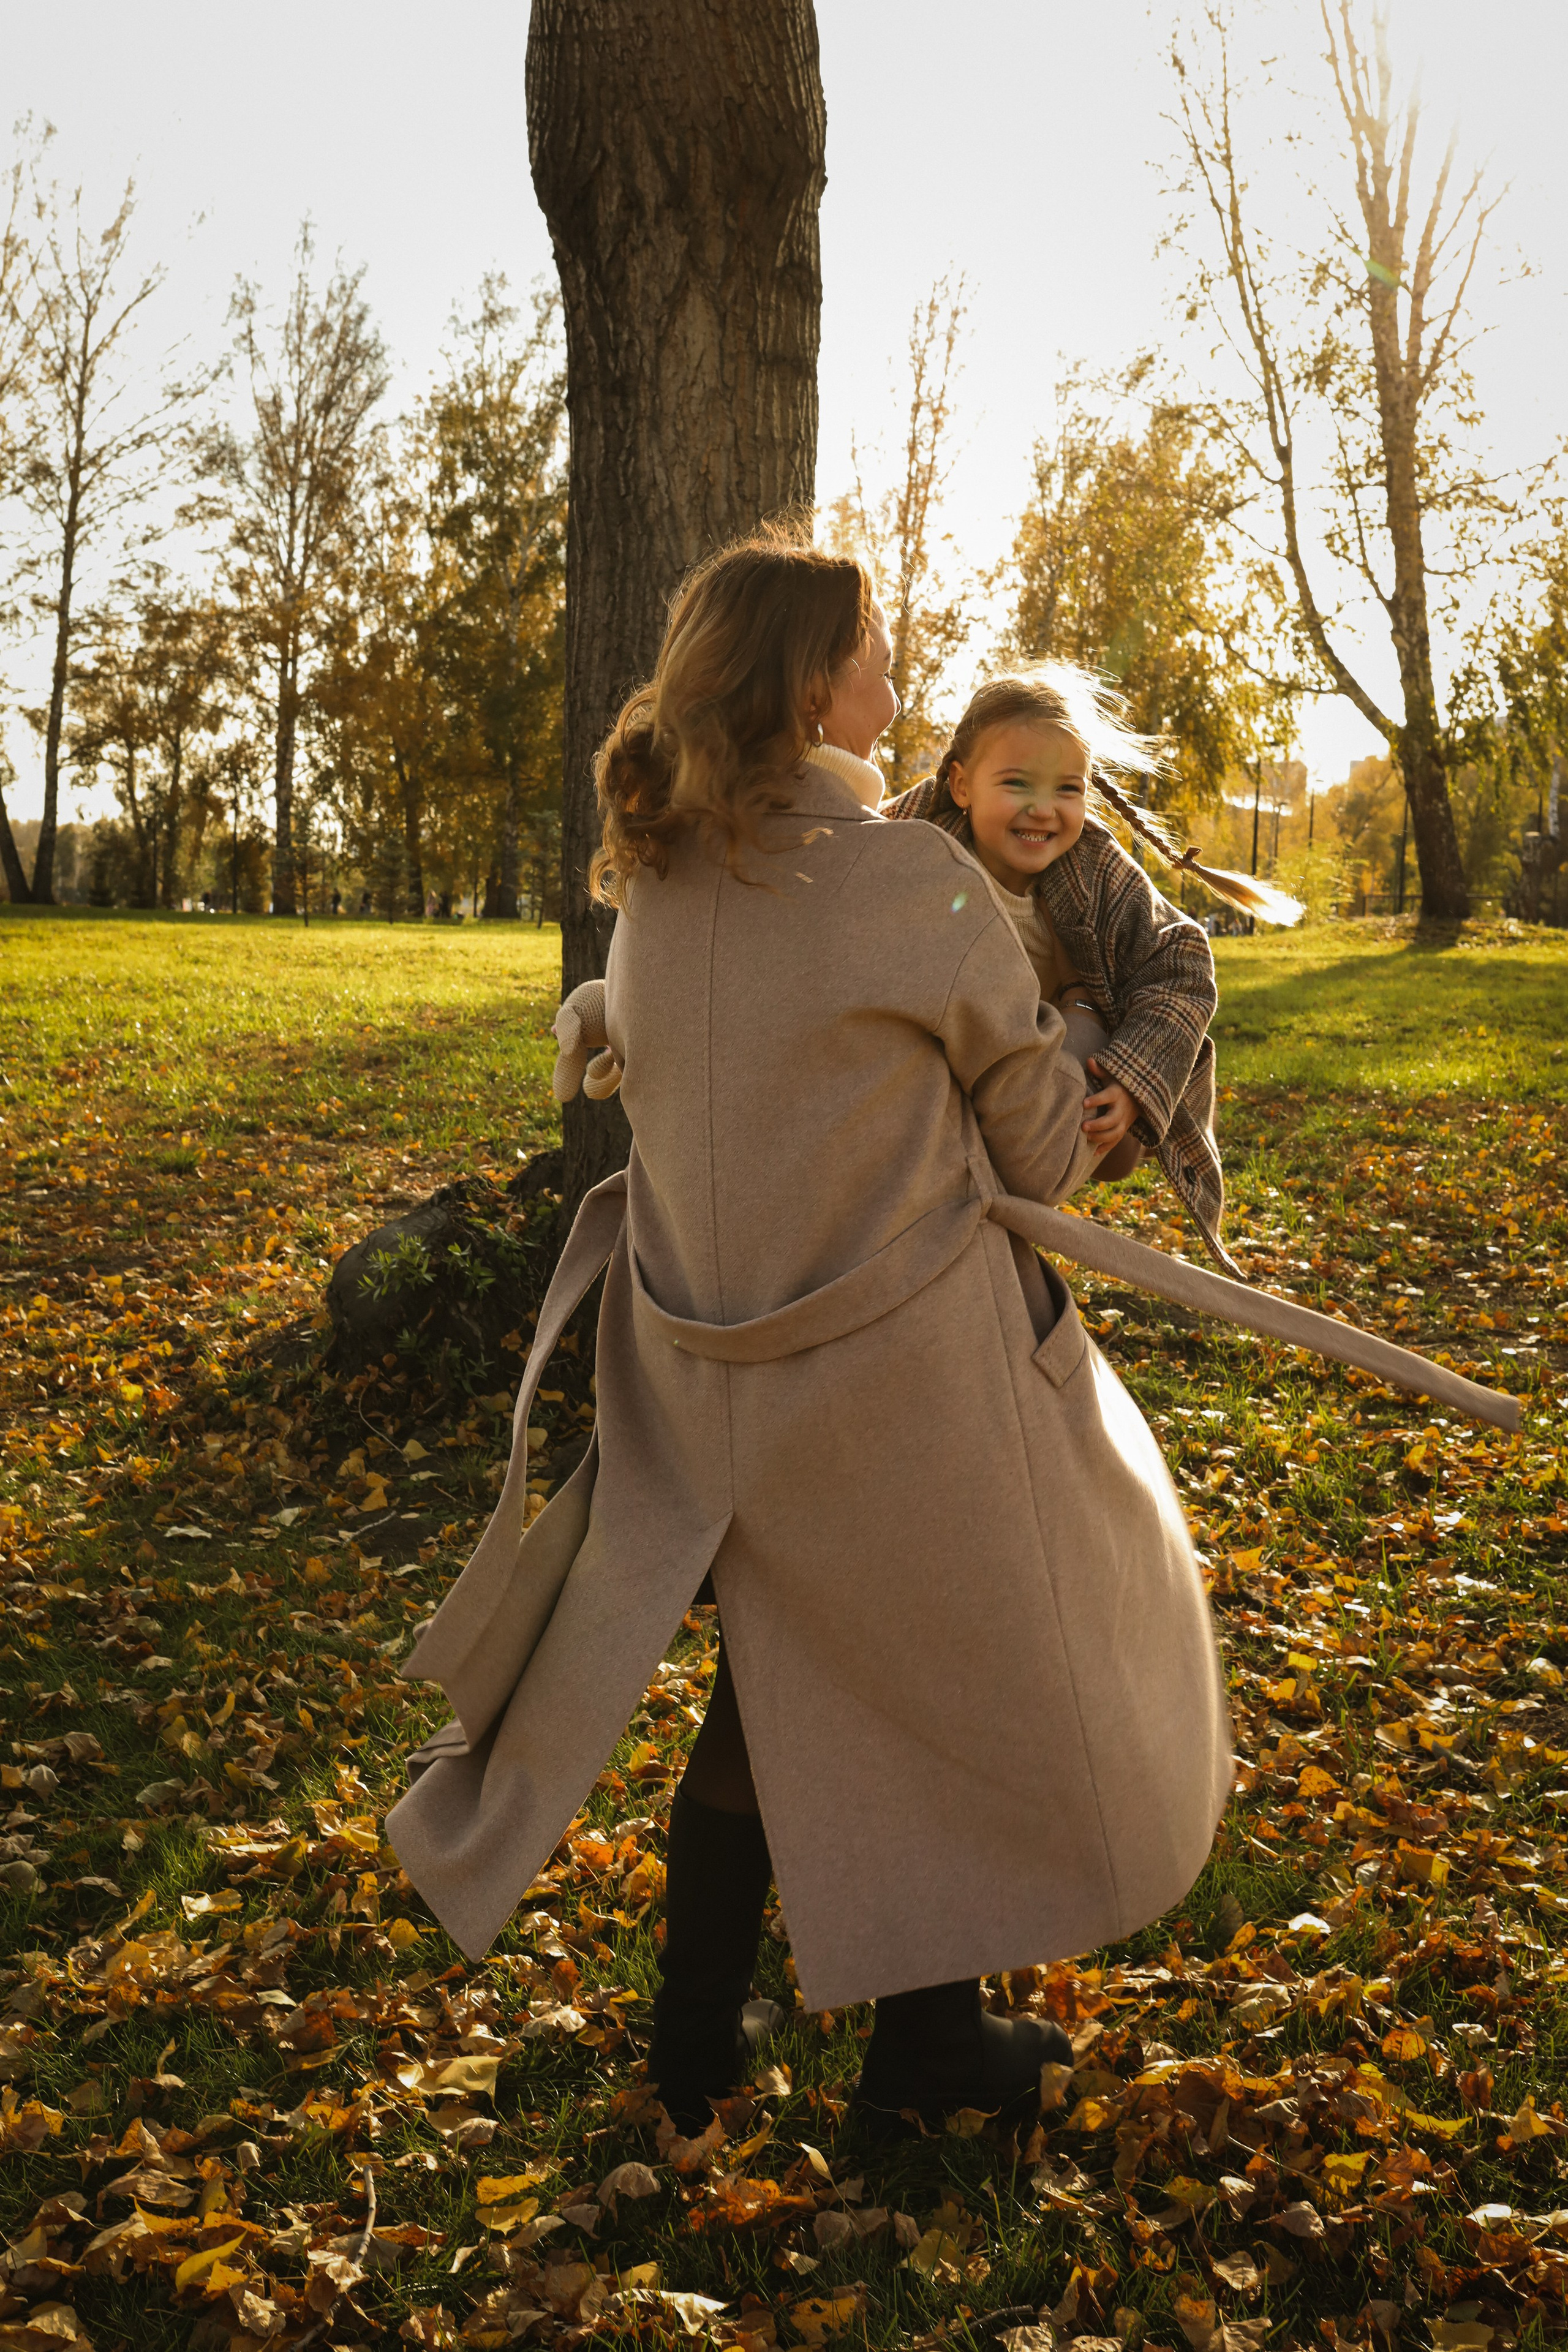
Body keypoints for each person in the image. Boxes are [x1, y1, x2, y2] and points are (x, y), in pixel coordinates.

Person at [387, 533, 1232, 2138]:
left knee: (783, 1697)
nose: (899, 676)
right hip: (905, 1393)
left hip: (709, 1396)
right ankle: (902, 2055)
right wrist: (1107, 1056)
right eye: (874, 650)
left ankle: (702, 2048)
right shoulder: (916, 880)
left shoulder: (660, 889)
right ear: (808, 684)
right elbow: (1046, 1153)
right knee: (942, 1684)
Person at [884, 671, 1302, 1273]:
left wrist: (1136, 1080)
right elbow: (845, 845)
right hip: (966, 1061)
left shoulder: (1094, 867)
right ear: (960, 784)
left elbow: (1180, 957)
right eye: (1015, 784)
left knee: (1112, 1155)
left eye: (1067, 789)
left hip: (1060, 1071)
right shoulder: (912, 839)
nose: (1043, 809)